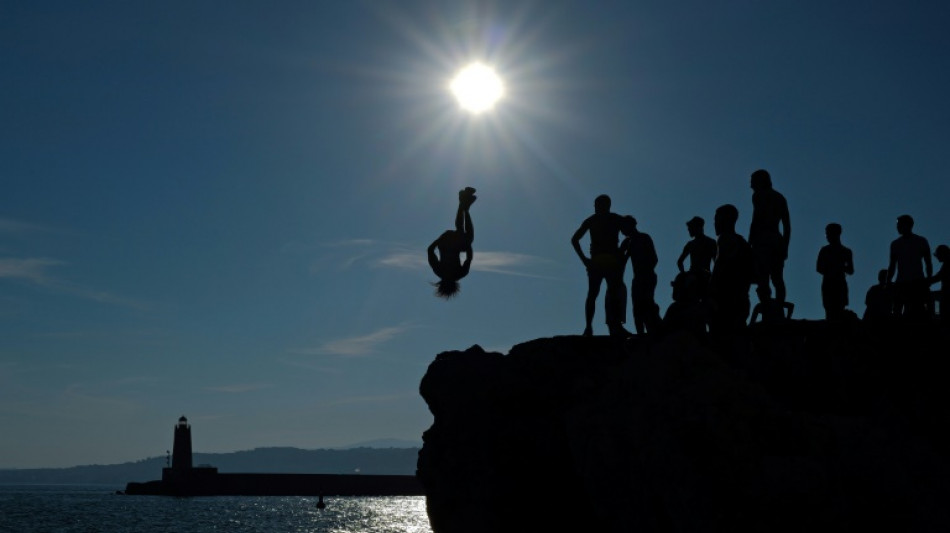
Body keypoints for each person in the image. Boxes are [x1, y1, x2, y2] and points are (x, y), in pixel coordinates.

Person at [571, 194, 629, 337]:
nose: (598, 207)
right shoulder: (595, 220)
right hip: (599, 262)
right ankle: (590, 327)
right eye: (597, 205)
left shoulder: (612, 219)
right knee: (596, 294)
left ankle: (613, 326)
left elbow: (629, 231)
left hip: (606, 262)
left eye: (600, 205)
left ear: (606, 205)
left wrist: (622, 251)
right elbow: (574, 239)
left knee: (610, 294)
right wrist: (584, 260)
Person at [708, 204, 755, 334]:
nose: (715, 224)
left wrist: (710, 293)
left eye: (716, 219)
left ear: (725, 220)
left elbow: (719, 266)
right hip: (741, 300)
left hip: (726, 301)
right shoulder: (743, 244)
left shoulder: (726, 239)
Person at [748, 169, 791, 304]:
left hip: (762, 241)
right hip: (777, 241)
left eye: (753, 182)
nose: (751, 186)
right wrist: (785, 246)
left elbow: (756, 219)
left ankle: (767, 307)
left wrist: (749, 243)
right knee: (777, 278)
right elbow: (787, 226)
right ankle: (778, 305)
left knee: (763, 277)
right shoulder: (780, 197)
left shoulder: (759, 196)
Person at [428, 187, 476, 298]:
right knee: (461, 232)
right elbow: (430, 250)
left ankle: (465, 206)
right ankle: (463, 203)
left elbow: (469, 258)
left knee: (468, 237)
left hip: (447, 243)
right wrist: (440, 240)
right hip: (446, 244)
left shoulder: (457, 274)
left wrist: (468, 245)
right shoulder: (439, 272)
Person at [620, 216, 661, 335]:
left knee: (647, 305)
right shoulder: (628, 242)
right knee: (637, 308)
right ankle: (640, 334)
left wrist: (644, 271)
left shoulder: (644, 238)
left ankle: (653, 331)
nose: (622, 231)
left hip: (646, 276)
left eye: (623, 228)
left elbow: (654, 259)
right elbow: (622, 261)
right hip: (638, 278)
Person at [886, 214, 932, 318]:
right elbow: (892, 265)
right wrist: (888, 281)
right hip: (903, 282)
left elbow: (928, 262)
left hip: (916, 281)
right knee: (898, 310)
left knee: (916, 311)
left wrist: (928, 279)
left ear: (907, 225)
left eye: (899, 225)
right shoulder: (896, 244)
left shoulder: (920, 241)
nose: (897, 227)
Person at [816, 223, 854, 320]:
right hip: (830, 283)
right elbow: (819, 268)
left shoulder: (845, 251)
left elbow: (851, 270)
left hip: (838, 283)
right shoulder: (825, 250)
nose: (827, 236)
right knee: (829, 311)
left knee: (837, 311)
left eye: (828, 234)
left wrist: (838, 268)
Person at [676, 216, 717, 298]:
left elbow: (716, 261)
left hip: (704, 275)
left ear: (698, 227)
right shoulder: (691, 244)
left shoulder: (709, 242)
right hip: (696, 275)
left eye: (690, 228)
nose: (689, 231)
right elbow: (680, 261)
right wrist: (683, 274)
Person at [927, 244, 949, 322]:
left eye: (938, 255)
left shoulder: (947, 264)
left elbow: (939, 276)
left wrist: (926, 282)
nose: (938, 258)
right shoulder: (946, 264)